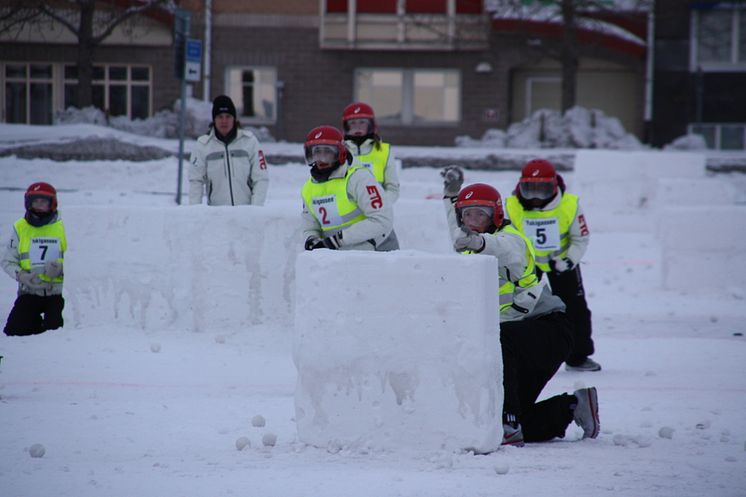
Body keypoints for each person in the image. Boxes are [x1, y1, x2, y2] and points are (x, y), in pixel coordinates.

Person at [441, 166, 599, 445]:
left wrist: (478, 241)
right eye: (467, 214)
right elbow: (457, 228)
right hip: (526, 336)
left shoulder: (510, 238)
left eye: (482, 214)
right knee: (510, 416)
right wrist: (451, 195)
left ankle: (508, 422)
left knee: (499, 342)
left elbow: (498, 247)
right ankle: (574, 405)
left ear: (496, 215)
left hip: (548, 329)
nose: (474, 220)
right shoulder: (467, 238)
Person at [505, 159, 600, 372]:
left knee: (575, 309)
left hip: (561, 262)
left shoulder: (570, 205)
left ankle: (578, 357)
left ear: (554, 187)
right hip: (527, 266)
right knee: (524, 308)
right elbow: (506, 237)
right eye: (530, 190)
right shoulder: (510, 206)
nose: (536, 197)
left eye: (543, 190)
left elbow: (580, 238)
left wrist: (568, 261)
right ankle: (527, 354)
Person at [301, 125, 396, 251]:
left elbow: (382, 219)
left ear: (340, 153)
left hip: (377, 252)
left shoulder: (358, 178)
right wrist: (312, 239)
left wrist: (338, 239)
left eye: (328, 152)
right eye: (317, 152)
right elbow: (310, 227)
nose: (321, 158)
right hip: (339, 257)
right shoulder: (308, 189)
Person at [2, 182, 67, 336]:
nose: (39, 205)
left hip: (54, 295)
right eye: (35, 201)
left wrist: (59, 270)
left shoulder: (61, 226)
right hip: (29, 293)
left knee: (54, 333)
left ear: (52, 203)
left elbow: (78, 259)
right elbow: (7, 261)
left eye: (43, 201)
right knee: (13, 332)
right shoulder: (20, 227)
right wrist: (21, 275)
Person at [189, 95, 269, 206]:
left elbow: (261, 178)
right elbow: (195, 181)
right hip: (218, 216)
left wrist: (255, 209)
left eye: (228, 116)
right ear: (214, 119)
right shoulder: (203, 145)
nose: (224, 121)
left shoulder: (250, 141)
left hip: (246, 215)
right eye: (220, 117)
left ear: (234, 119)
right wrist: (195, 213)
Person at [342, 102, 400, 249]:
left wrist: (380, 207)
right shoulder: (338, 152)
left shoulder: (384, 151)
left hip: (378, 219)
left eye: (362, 122)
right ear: (346, 126)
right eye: (352, 123)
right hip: (349, 221)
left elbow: (393, 188)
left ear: (371, 125)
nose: (357, 127)